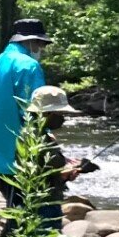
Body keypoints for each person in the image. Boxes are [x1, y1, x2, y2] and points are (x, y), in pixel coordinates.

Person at [0, 19, 50, 204]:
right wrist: (46, 141)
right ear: (30, 41)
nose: (42, 48)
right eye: (40, 43)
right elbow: (35, 111)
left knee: (14, 206)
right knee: (28, 208)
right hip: (19, 153)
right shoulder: (29, 66)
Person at [25, 85, 83, 229]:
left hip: (47, 198)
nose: (62, 117)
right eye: (59, 113)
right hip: (43, 202)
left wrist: (65, 170)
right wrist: (63, 174)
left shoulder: (39, 133)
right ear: (47, 113)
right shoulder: (35, 138)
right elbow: (33, 172)